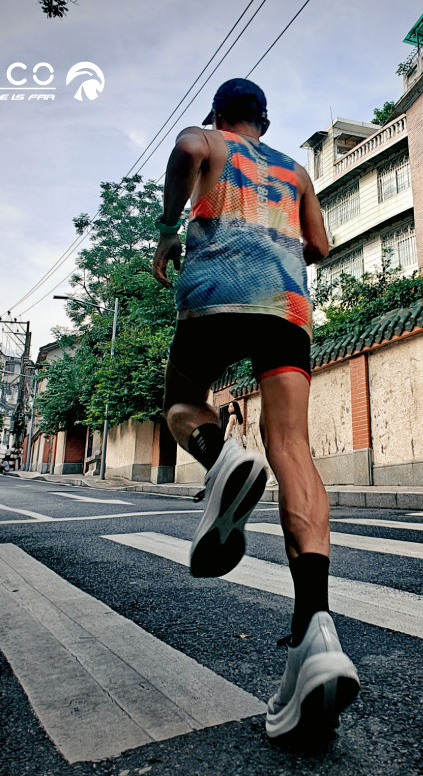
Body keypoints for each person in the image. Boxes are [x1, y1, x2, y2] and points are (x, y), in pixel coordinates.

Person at [152, 78, 359, 740]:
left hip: (217, 291)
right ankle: (315, 627)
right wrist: (286, 235)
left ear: (221, 115)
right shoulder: (295, 170)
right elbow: (321, 246)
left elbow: (187, 149)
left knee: (182, 402)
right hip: (286, 309)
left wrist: (168, 230)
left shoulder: (210, 140)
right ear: (264, 122)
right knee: (293, 447)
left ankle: (222, 460)